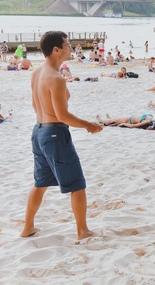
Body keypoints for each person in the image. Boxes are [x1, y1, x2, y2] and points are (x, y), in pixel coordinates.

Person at [21, 31, 103, 240]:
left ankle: (27, 227)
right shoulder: (56, 78)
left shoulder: (38, 72)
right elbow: (62, 115)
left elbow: (34, 104)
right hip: (54, 133)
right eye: (67, 45)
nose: (70, 48)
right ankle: (82, 231)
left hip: (39, 131)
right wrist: (87, 125)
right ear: (56, 49)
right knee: (77, 184)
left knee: (40, 183)